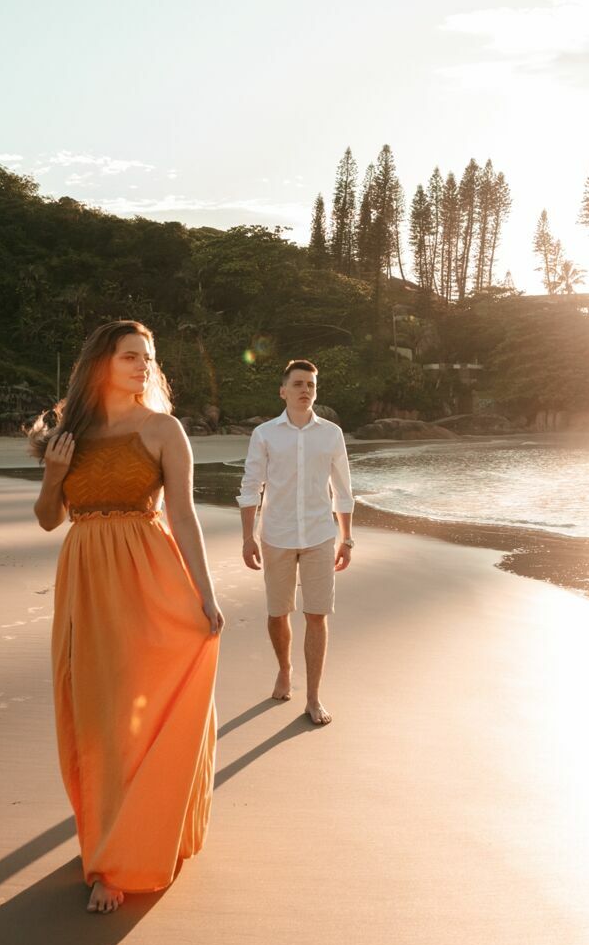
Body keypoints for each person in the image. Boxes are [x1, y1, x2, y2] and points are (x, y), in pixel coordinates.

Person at [29, 320, 224, 914]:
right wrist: (55, 474)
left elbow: (185, 518)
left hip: (150, 576)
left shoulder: (163, 429)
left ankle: (123, 853)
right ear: (101, 365)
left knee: (141, 708)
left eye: (148, 358)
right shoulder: (70, 434)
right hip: (87, 579)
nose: (143, 366)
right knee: (98, 714)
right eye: (130, 357)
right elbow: (46, 518)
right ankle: (108, 847)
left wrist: (206, 595)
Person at [238, 359, 354, 725]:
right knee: (278, 613)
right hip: (277, 535)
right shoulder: (266, 434)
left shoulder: (331, 434)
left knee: (316, 614)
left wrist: (347, 539)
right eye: (299, 384)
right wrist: (247, 537)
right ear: (283, 390)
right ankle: (285, 669)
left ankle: (314, 697)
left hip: (321, 534)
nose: (306, 390)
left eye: (311, 385)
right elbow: (250, 486)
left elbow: (343, 489)